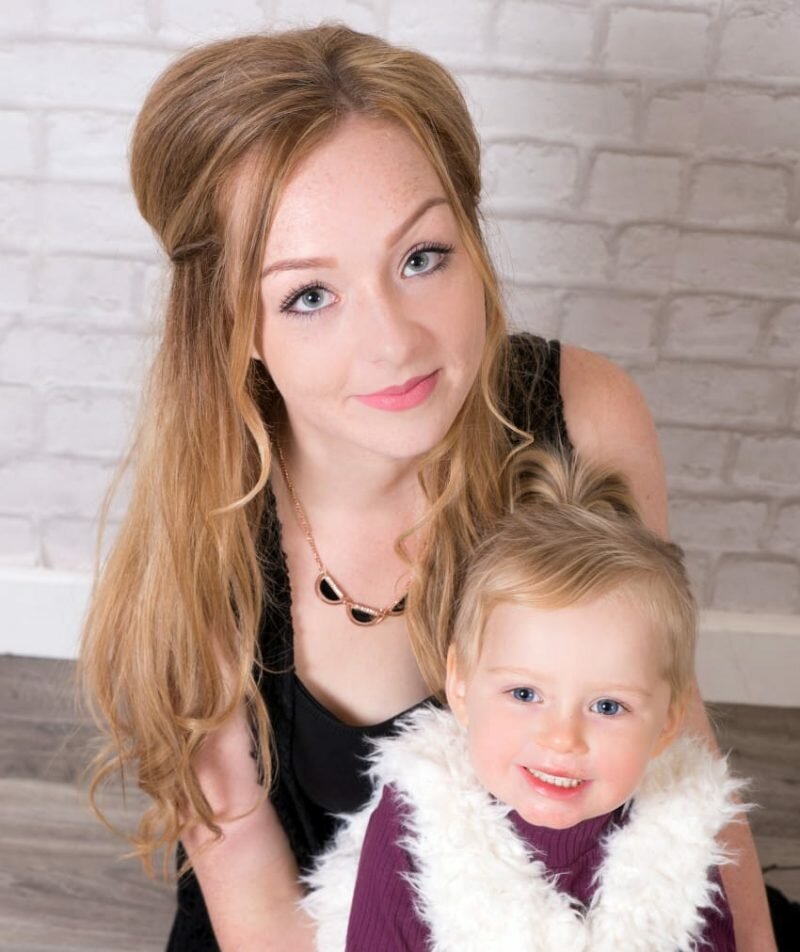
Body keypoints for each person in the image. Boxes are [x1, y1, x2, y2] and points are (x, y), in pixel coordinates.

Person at [78, 24, 777, 952]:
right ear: (232, 327)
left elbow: (682, 764)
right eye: (309, 296)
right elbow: (246, 877)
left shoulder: (587, 415)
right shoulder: (207, 546)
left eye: (421, 258)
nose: (395, 343)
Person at [302, 449, 741, 951]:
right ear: (462, 686)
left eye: (607, 707)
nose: (562, 738)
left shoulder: (674, 836)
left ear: (668, 721)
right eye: (525, 693)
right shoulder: (419, 819)